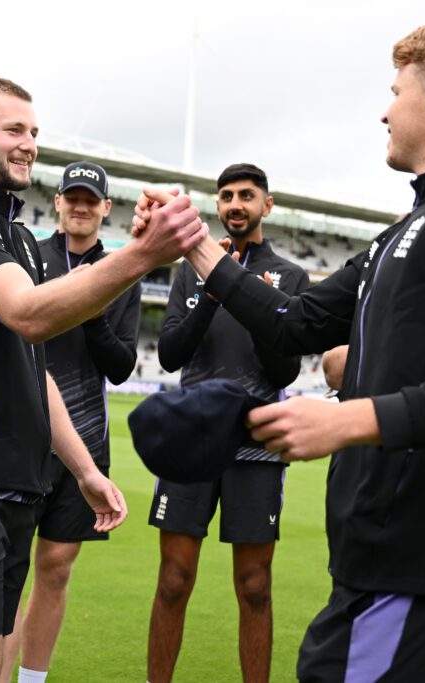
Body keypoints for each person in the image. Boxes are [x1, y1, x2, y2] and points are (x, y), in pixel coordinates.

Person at [136, 12, 425, 681]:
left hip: (421, 562)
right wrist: (193, 239)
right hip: (378, 562)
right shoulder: (406, 230)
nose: (384, 111)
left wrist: (348, 418)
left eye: (396, 89)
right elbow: (294, 322)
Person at [0, 77, 206, 683]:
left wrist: (86, 471)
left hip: (12, 481)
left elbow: (33, 371)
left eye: (34, 132)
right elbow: (30, 317)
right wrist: (142, 255)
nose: (29, 144)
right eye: (13, 130)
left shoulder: (15, 238)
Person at [145, 163, 308, 683]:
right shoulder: (189, 270)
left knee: (255, 585)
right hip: (192, 437)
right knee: (173, 579)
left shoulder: (290, 276)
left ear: (268, 204)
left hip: (257, 439)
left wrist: (257, 301)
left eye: (246, 195)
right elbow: (169, 355)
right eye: (226, 196)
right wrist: (215, 293)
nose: (235, 204)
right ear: (217, 204)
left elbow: (284, 368)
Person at [0, 162, 142, 683]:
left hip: (86, 437)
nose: (81, 207)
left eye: (92, 199)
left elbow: (122, 366)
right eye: (72, 197)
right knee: (9, 567)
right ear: (57, 202)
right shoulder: (28, 255)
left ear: (106, 208)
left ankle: (31, 679)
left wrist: (91, 299)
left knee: (56, 567)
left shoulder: (123, 269)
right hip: (24, 432)